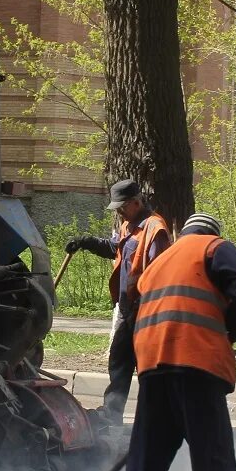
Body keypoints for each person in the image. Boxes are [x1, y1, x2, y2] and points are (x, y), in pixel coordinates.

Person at [118, 212, 236, 471]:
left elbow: (133, 304)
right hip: (195, 363)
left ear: (183, 233)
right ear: (211, 232)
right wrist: (229, 326)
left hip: (153, 364)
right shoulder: (214, 247)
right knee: (212, 456)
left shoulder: (159, 261)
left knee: (146, 453)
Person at [65, 179, 171, 424]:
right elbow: (114, 248)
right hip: (127, 307)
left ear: (136, 202)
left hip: (146, 309)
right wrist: (86, 242)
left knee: (148, 367)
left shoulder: (155, 229)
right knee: (120, 363)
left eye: (122, 207)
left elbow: (161, 272)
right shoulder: (128, 225)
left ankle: (152, 419)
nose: (119, 212)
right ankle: (112, 415)